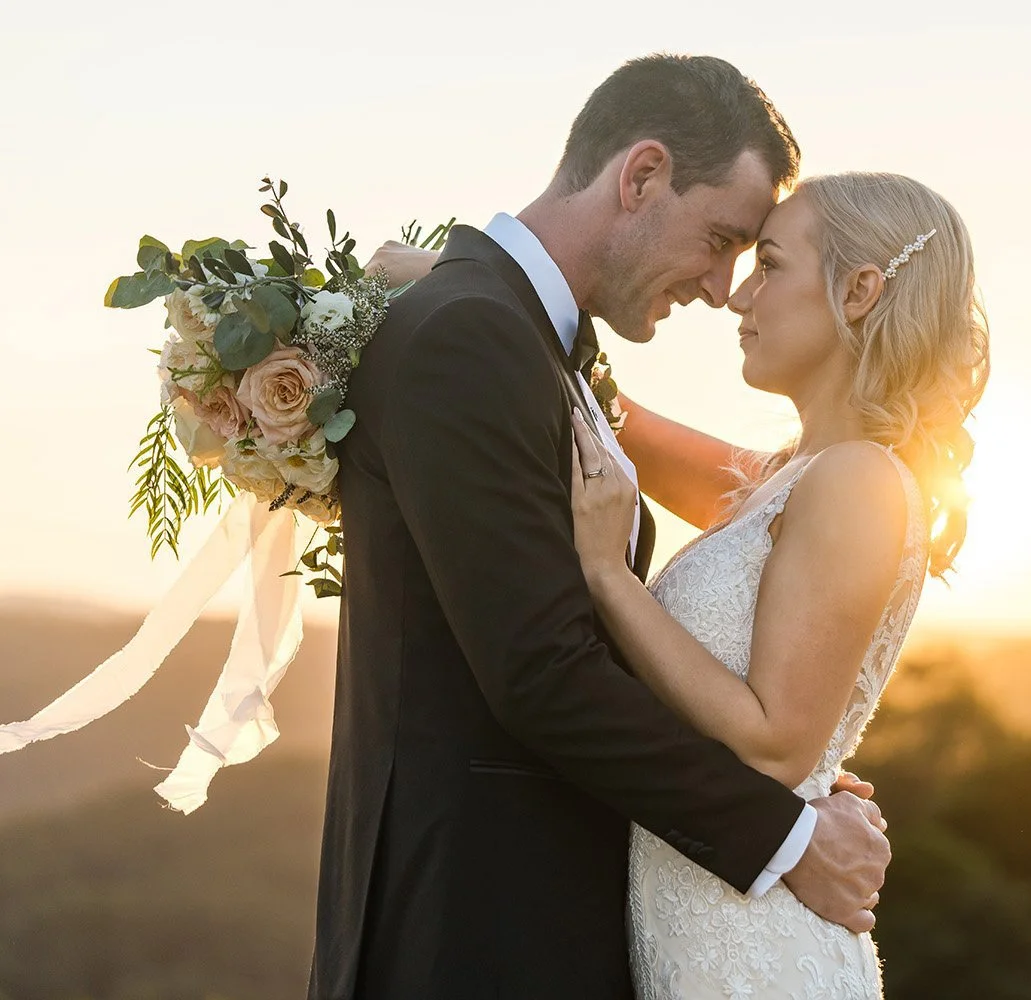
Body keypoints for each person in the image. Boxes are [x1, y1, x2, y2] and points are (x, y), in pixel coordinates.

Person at [311, 54, 893, 999]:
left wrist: (795, 780)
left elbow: (766, 515)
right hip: (470, 935)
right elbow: (542, 673)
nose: (722, 288)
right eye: (721, 240)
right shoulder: (472, 334)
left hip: (545, 925)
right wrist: (786, 834)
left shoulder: (519, 339)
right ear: (642, 175)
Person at [568, 171, 989, 997]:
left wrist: (607, 577)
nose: (738, 296)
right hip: (707, 934)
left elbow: (773, 744)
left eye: (769, 264)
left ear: (859, 292)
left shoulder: (858, 482)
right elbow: (613, 417)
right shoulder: (786, 481)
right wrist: (468, 284)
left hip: (756, 956)